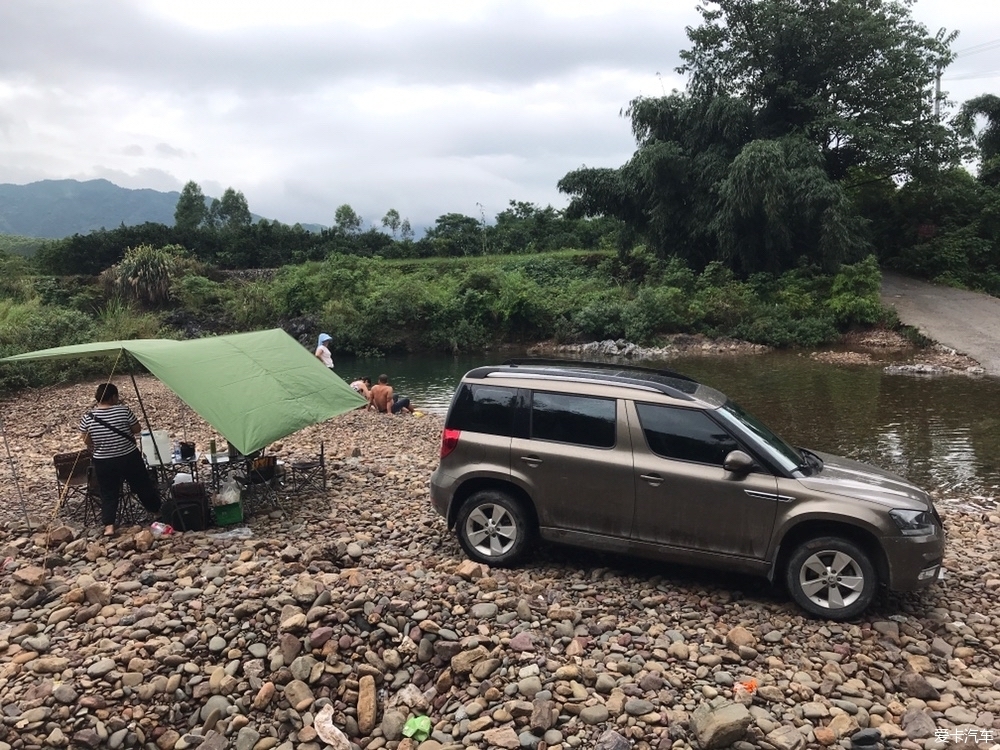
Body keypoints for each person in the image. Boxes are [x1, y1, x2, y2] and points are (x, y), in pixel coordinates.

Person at [79, 383, 161, 538]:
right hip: (128, 456)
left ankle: (109, 526)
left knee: (108, 492)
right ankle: (157, 512)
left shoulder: (88, 417)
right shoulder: (123, 410)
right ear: (113, 397)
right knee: (142, 485)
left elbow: (87, 440)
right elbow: (136, 429)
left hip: (103, 461)